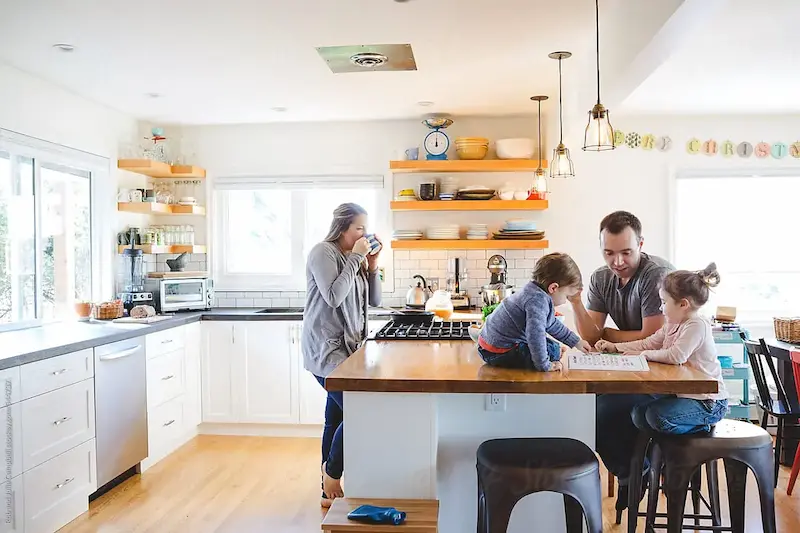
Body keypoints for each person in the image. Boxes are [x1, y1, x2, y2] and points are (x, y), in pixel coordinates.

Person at [567, 211, 674, 511]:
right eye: (609, 253)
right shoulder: (601, 278)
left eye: (626, 252)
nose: (617, 262)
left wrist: (610, 336)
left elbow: (653, 337)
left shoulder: (657, 275)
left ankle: (636, 473)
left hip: (665, 372)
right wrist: (576, 303)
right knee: (584, 407)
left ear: (641, 244)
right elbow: (591, 336)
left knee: (604, 412)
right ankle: (635, 472)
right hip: (632, 368)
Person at [302, 203, 382, 508]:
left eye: (366, 227)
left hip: (350, 352)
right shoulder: (323, 252)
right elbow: (333, 296)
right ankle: (333, 473)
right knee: (361, 410)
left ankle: (327, 491)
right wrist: (357, 257)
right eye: (359, 228)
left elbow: (375, 301)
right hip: (326, 350)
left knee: (335, 418)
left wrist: (372, 265)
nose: (365, 233)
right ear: (343, 229)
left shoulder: (356, 259)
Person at [596, 263, 729, 434]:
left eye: (664, 302)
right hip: (683, 395)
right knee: (638, 414)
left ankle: (699, 428)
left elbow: (676, 356)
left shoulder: (697, 325)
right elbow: (648, 343)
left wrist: (643, 355)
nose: (661, 307)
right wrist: (615, 348)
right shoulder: (672, 324)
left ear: (683, 304)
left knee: (655, 416)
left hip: (708, 401)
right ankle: (654, 455)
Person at [478, 252, 592, 372]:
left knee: (549, 346)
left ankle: (556, 351)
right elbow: (535, 336)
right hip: (497, 351)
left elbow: (552, 324)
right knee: (549, 349)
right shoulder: (537, 302)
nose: (565, 301)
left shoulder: (533, 291)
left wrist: (576, 342)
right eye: (566, 296)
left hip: (488, 345)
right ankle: (555, 352)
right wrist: (545, 365)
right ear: (553, 288)